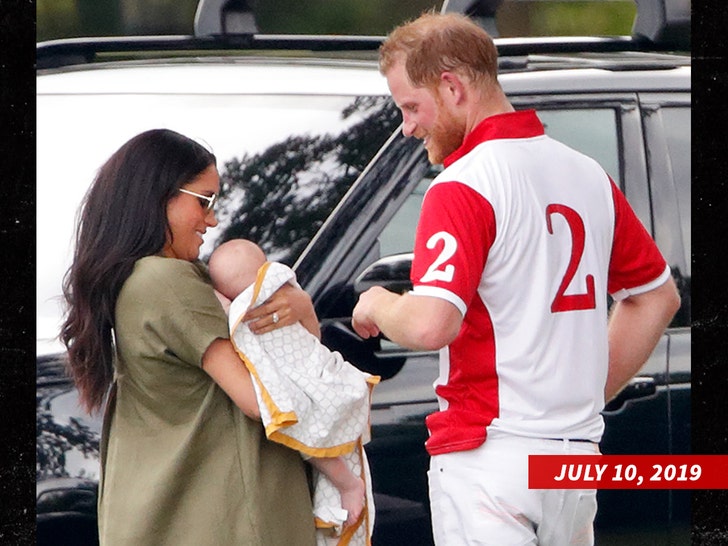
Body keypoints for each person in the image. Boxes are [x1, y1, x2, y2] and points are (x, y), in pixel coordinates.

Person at [351, 12, 681, 546]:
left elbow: (433, 323)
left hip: (491, 459)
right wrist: (579, 397)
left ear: (452, 86)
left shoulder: (462, 183)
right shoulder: (586, 173)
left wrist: (377, 304)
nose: (408, 127)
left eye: (411, 107)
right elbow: (656, 298)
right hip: (574, 460)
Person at [60, 128, 318, 546]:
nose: (212, 219)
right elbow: (264, 400)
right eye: (204, 200)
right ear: (159, 196)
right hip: (222, 521)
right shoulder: (168, 281)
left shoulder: (137, 280)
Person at [208, 239, 377, 543]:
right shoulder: (281, 292)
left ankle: (349, 484)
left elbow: (306, 343)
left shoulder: (264, 303)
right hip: (317, 386)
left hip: (311, 388)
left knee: (307, 432)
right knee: (312, 433)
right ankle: (347, 486)